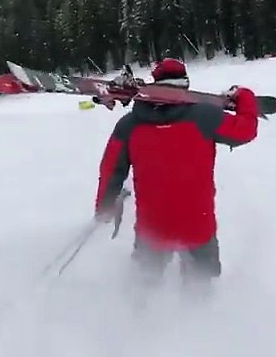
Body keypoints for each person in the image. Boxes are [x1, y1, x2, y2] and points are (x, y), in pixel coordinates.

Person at [92, 58, 259, 287]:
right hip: (197, 225)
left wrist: (104, 207)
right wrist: (245, 96)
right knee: (199, 289)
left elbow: (111, 170)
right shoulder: (206, 117)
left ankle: (137, 318)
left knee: (143, 286)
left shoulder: (129, 125)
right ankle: (200, 318)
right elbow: (245, 130)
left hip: (153, 228)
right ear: (185, 85)